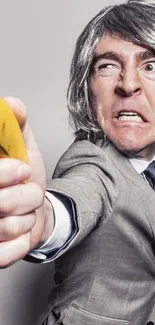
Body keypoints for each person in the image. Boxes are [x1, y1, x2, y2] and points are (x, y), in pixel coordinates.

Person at [1, 0, 155, 324]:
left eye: (150, 66)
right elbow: (76, 198)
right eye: (108, 66)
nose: (128, 84)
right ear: (87, 88)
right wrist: (40, 218)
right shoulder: (92, 163)